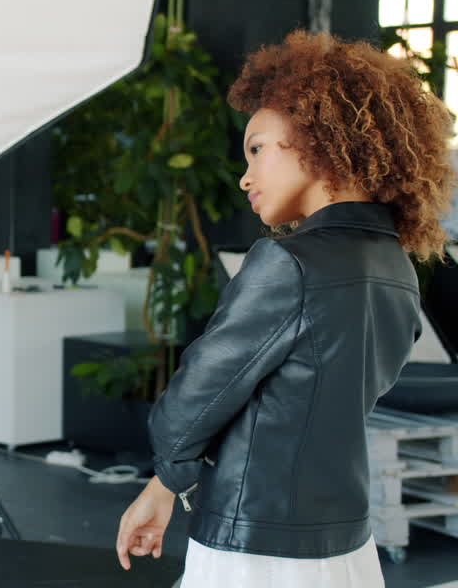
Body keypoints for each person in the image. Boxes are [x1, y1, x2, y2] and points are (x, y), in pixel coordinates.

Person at [115, 31, 455, 586]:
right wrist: (164, 488)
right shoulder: (397, 267)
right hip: (347, 545)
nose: (245, 176)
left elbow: (194, 400)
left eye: (256, 149)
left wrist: (167, 473)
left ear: (319, 138)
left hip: (255, 546)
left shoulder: (289, 262)